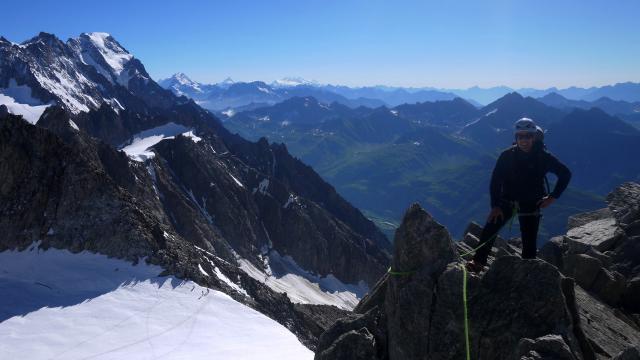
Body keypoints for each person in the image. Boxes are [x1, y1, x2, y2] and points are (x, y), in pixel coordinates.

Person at [466, 117, 571, 273]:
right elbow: (496, 181)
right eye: (520, 136)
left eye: (528, 136)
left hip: (530, 204)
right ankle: (478, 262)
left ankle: (526, 275)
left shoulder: (543, 157)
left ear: (534, 137)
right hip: (507, 201)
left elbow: (565, 174)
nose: (524, 140)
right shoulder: (507, 156)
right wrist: (495, 206)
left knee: (529, 243)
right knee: (490, 229)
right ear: (516, 137)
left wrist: (552, 197)